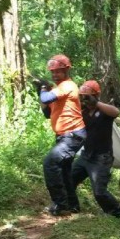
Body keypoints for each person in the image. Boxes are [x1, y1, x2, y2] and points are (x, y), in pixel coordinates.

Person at [68, 81, 120, 220]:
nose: (85, 99)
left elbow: (116, 112)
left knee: (99, 192)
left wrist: (96, 103)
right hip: (86, 155)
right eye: (83, 96)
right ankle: (72, 206)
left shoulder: (104, 112)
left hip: (101, 158)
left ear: (96, 96)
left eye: (88, 96)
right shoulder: (83, 112)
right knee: (69, 180)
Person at [38, 54, 86, 216]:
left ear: (66, 71)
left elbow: (45, 97)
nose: (54, 75)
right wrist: (41, 91)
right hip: (64, 136)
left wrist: (43, 89)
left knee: (50, 164)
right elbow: (46, 112)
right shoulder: (58, 90)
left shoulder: (68, 86)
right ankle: (72, 205)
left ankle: (60, 204)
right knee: (64, 171)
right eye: (52, 72)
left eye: (58, 71)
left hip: (72, 135)